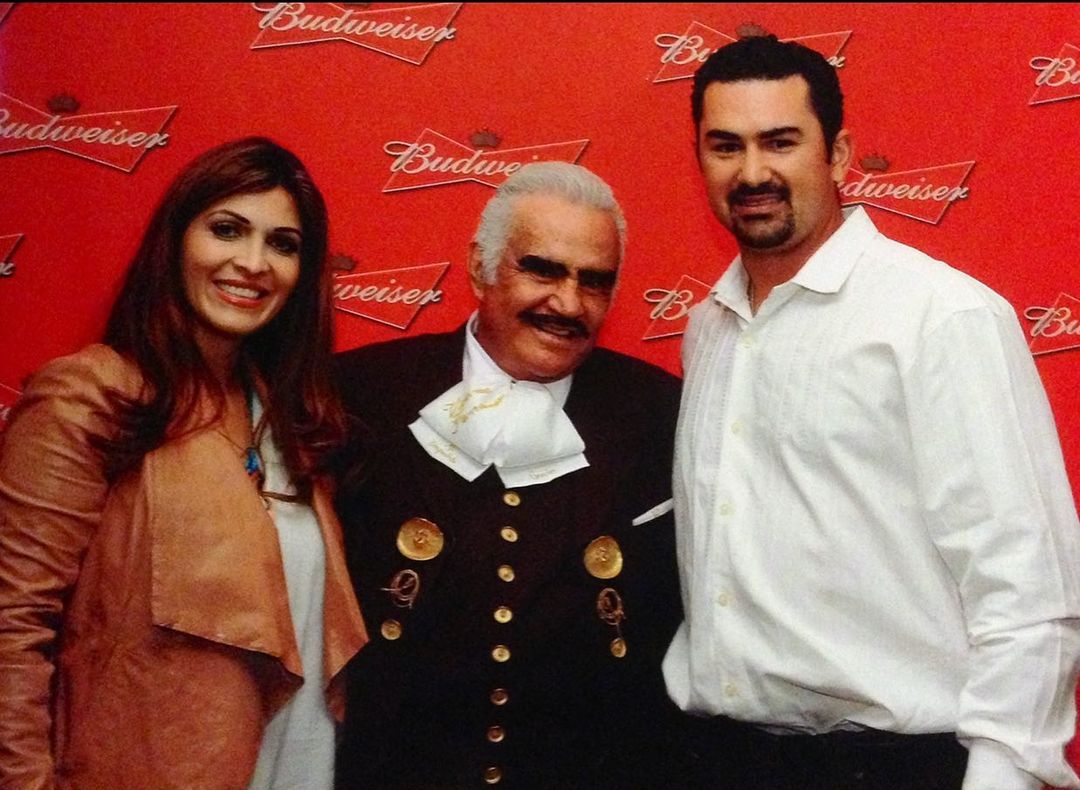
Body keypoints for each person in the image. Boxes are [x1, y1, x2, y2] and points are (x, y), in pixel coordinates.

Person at [663, 33, 1080, 790]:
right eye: (726, 146)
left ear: (839, 154)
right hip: (718, 759)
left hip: (895, 767)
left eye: (780, 142)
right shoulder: (708, 329)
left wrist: (1003, 775)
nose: (752, 173)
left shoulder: (940, 316)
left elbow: (1029, 587)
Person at [0, 137, 368, 789]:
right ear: (175, 242)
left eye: (283, 244)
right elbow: (11, 622)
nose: (252, 263)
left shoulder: (291, 422)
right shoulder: (92, 396)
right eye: (227, 229)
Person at [333, 161, 684, 788]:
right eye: (542, 270)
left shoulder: (660, 412)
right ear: (480, 267)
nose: (567, 303)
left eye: (594, 281)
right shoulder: (361, 395)